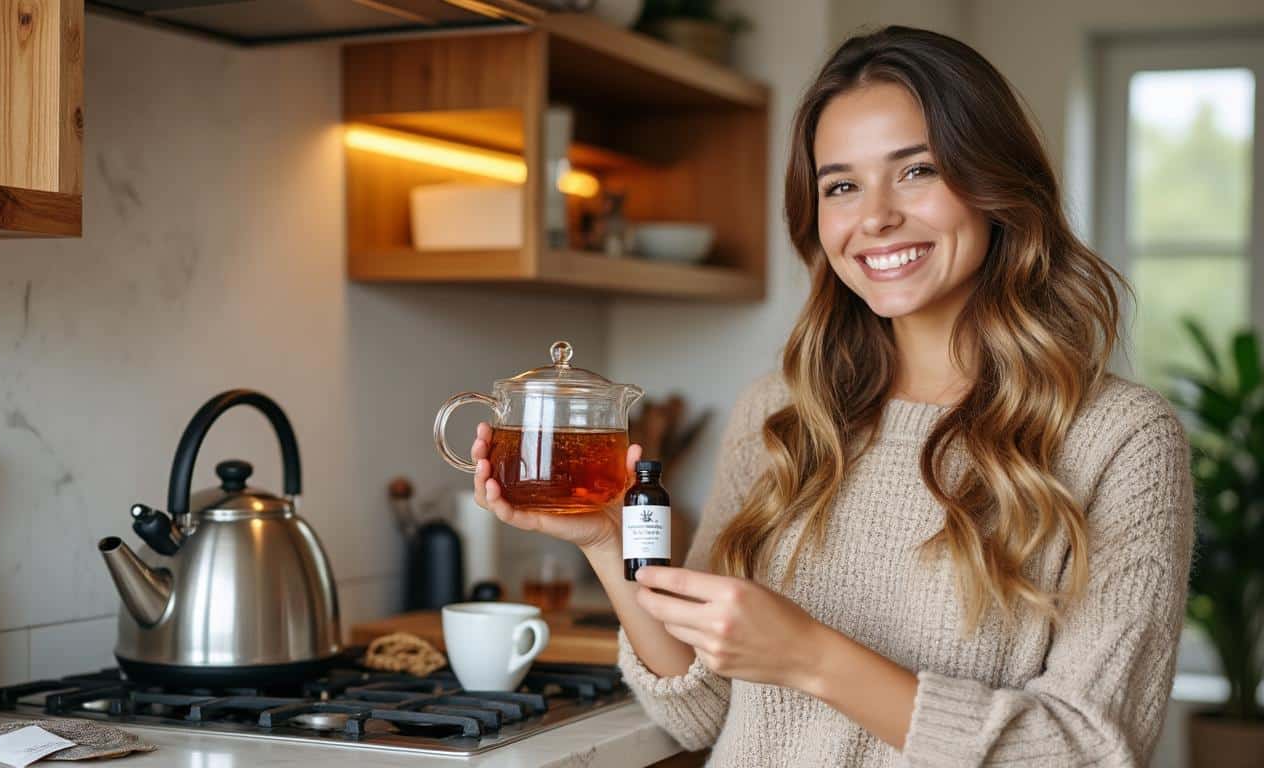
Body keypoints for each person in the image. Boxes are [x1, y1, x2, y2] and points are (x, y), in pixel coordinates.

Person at [470, 25, 1193, 767]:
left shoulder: (1120, 437)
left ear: (995, 183)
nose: (875, 216)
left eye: (917, 171)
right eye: (841, 185)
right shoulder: (780, 415)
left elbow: (1090, 751)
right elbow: (697, 711)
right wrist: (603, 537)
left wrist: (813, 657)